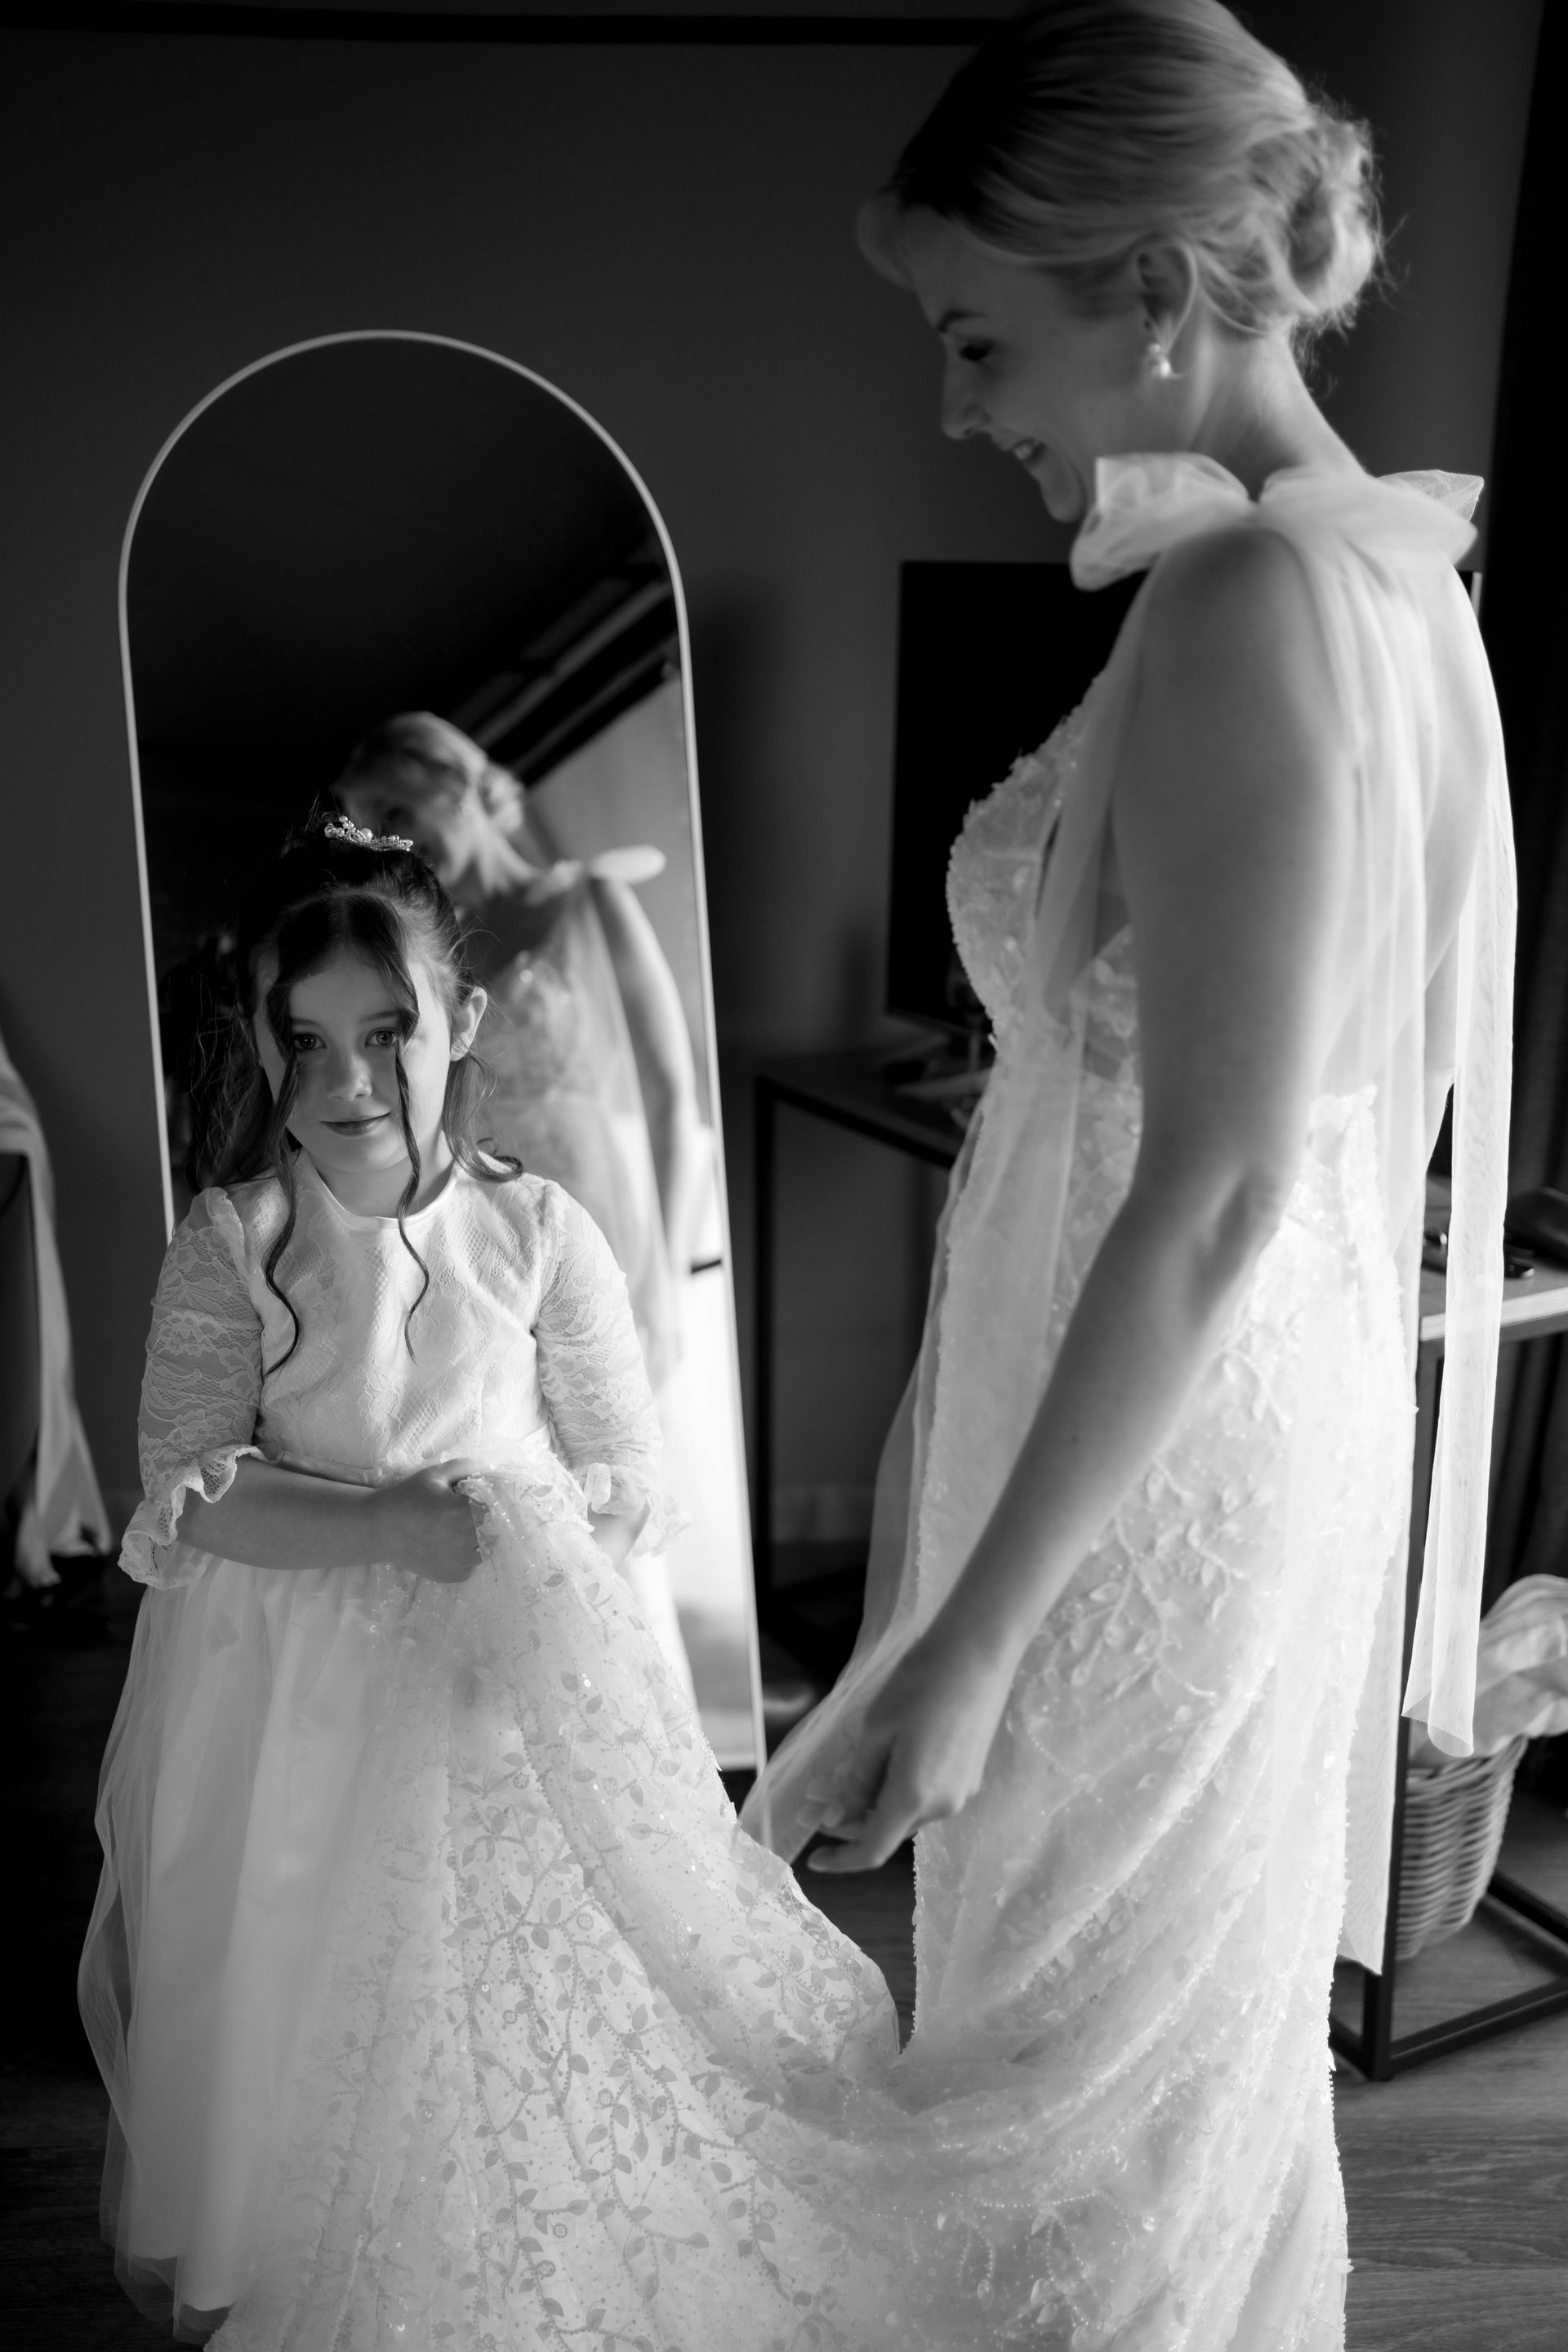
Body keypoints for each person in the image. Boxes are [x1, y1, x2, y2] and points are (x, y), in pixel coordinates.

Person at [743, 2, 1515, 2344]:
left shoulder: (1259, 602)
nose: (962, 408)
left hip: (1162, 1430)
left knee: (1075, 2079)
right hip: (1200, 1400)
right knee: (1122, 2065)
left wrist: (960, 1640)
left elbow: (1219, 1184)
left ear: (1157, 296)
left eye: (981, 337)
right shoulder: (1377, 575)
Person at [78, 817, 911, 2346]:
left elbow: (626, 1476)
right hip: (292, 1697)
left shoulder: (538, 1231)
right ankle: (297, 2242)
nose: (344, 1085)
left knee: (503, 1990)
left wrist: (526, 1549)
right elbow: (186, 1501)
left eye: (387, 1035)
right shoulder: (236, 1243)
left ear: (464, 1024)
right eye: (305, 1040)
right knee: (299, 1975)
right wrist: (389, 1524)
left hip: (503, 1682)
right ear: (260, 1043)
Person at [335, 713, 705, 1691]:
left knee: (607, 1483)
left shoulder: (592, 901)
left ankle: (619, 1707)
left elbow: (672, 1090)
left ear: (459, 787)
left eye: (401, 811)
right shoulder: (421, 954)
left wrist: (664, 1264)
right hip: (478, 1239)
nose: (392, 840)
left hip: (602, 1222)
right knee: (502, 1470)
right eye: (371, 825)